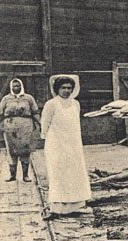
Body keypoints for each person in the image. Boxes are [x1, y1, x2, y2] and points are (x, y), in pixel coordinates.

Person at [40, 75, 91, 219]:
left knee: (74, 172)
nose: (66, 91)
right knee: (58, 173)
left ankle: (74, 206)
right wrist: (47, 139)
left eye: (69, 88)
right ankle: (56, 207)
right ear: (57, 89)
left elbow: (76, 124)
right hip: (56, 144)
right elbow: (45, 124)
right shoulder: (51, 104)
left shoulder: (76, 104)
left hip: (73, 144)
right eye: (63, 88)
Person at [0, 78, 41, 182]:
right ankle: (12, 175)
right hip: (10, 127)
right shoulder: (6, 99)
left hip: (26, 126)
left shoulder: (28, 98)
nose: (16, 88)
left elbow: (35, 111)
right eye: (14, 86)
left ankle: (25, 175)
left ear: (21, 86)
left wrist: (40, 123)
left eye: (18, 86)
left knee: (25, 150)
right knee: (11, 150)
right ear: (11, 87)